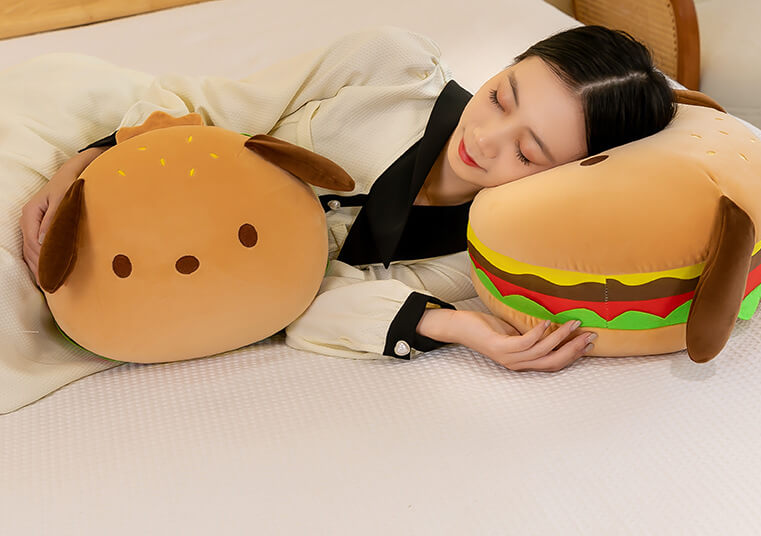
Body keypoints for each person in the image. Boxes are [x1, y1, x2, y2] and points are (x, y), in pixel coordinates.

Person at [20, 25, 676, 373]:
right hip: (131, 149)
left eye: (528, 153)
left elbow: (302, 307)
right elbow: (215, 107)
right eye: (502, 96)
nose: (485, 138)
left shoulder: (474, 253)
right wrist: (83, 162)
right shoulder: (389, 67)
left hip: (170, 282)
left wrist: (460, 327)